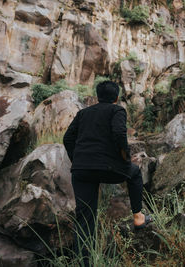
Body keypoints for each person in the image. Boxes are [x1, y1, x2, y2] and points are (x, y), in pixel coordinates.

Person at [63, 81, 151, 265]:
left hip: (82, 169)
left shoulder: (83, 113)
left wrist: (77, 159)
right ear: (117, 98)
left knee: (85, 218)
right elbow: (119, 133)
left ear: (97, 96)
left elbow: (67, 138)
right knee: (134, 173)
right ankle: (138, 217)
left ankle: (84, 263)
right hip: (108, 167)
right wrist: (125, 157)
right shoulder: (117, 110)